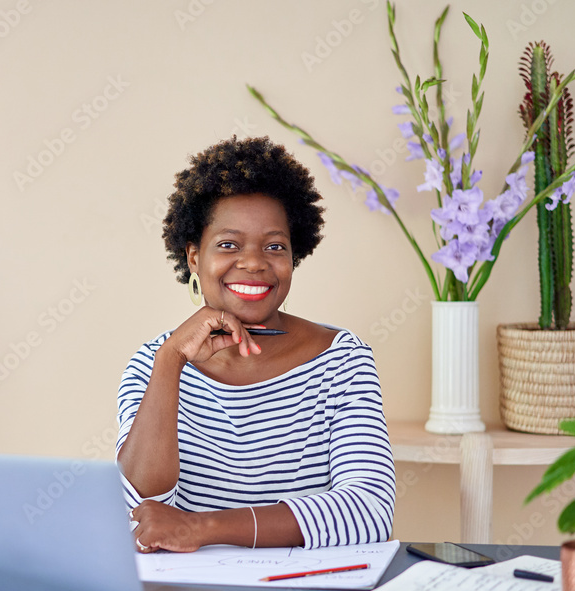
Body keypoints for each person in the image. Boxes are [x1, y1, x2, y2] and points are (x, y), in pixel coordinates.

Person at [117, 136, 395, 553]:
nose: (254, 262)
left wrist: (203, 527)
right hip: (188, 588)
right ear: (194, 258)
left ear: (293, 257)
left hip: (306, 587)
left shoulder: (342, 360)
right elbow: (140, 512)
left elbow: (368, 510)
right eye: (228, 244)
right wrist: (171, 360)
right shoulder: (153, 364)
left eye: (274, 246)